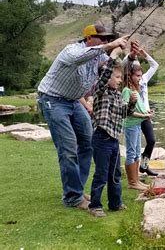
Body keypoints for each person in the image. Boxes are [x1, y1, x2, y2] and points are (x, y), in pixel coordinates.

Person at [37, 24, 129, 210]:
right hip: (53, 100)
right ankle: (72, 197)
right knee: (68, 147)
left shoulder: (99, 56)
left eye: (107, 39)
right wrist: (109, 47)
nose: (105, 41)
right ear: (88, 38)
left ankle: (76, 189)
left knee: (87, 143)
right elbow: (83, 57)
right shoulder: (71, 51)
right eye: (102, 38)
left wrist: (129, 54)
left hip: (73, 101)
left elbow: (113, 67)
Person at [88, 47, 137, 217]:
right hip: (101, 138)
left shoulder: (117, 95)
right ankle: (95, 205)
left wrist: (131, 102)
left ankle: (115, 203)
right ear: (107, 76)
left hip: (114, 140)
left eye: (120, 77)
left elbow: (126, 113)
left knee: (115, 173)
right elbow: (102, 79)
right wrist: (113, 57)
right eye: (117, 77)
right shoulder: (100, 91)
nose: (120, 80)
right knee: (101, 174)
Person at [123, 43, 159, 176]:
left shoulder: (144, 79)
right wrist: (131, 54)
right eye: (136, 73)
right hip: (135, 115)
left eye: (140, 73)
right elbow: (124, 64)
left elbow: (155, 65)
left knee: (151, 141)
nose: (139, 76)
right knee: (133, 147)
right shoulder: (128, 86)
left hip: (145, 114)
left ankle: (144, 166)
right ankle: (133, 175)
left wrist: (144, 54)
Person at [122, 61, 154, 190]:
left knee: (136, 153)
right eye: (137, 76)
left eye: (140, 76)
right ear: (129, 76)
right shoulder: (126, 91)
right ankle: (132, 182)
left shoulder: (136, 90)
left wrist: (147, 112)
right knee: (131, 153)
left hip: (137, 125)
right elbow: (126, 112)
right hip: (131, 125)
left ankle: (136, 181)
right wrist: (143, 116)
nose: (139, 78)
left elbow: (139, 108)